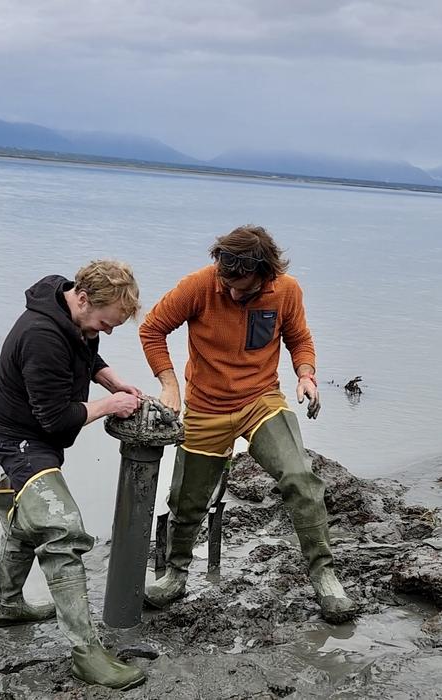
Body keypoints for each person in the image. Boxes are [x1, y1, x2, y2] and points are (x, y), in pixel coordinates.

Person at [139, 225, 357, 624]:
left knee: (300, 478)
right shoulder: (198, 286)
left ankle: (325, 577)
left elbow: (299, 338)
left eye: (243, 287)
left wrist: (306, 375)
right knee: (186, 501)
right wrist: (170, 385)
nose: (233, 292)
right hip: (206, 405)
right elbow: (152, 329)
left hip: (261, 400)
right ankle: (175, 574)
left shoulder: (287, 290)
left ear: (266, 274)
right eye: (228, 282)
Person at [0, 261, 146, 691]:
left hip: (36, 438)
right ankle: (85, 653)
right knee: (61, 526)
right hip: (18, 439)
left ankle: (7, 606)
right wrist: (109, 408)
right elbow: (56, 420)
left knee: (30, 516)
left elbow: (88, 352)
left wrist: (116, 384)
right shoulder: (41, 336)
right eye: (104, 322)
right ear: (82, 298)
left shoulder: (67, 306)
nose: (107, 331)